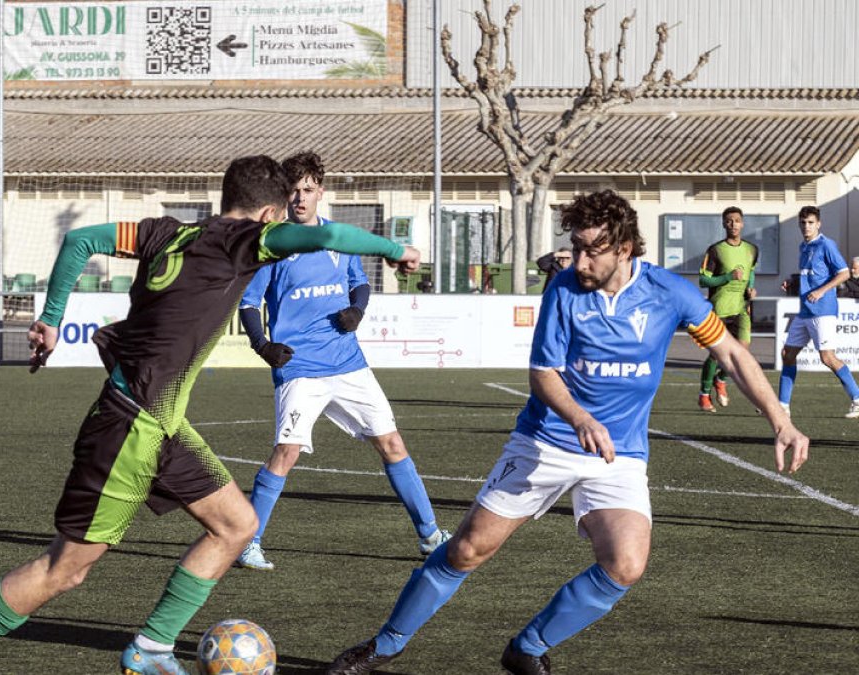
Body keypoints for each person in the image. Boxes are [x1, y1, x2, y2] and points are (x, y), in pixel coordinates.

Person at [0, 155, 422, 675]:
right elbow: (326, 238)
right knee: (65, 569)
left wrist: (50, 320)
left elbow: (80, 240)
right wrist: (397, 250)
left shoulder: (163, 233)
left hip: (162, 425)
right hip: (130, 426)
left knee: (237, 525)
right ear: (270, 213)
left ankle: (151, 649)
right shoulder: (245, 241)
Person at [326, 190, 808, 675]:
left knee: (626, 563)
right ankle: (385, 645)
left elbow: (732, 354)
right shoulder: (563, 290)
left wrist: (780, 420)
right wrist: (580, 418)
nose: (577, 260)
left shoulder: (669, 292)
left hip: (618, 454)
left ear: (624, 248)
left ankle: (528, 648)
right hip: (545, 441)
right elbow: (543, 374)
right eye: (574, 247)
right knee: (468, 549)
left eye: (590, 250)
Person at [234, 151, 449, 571]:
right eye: (293, 190)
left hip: (348, 362)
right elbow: (248, 303)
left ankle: (430, 535)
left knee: (392, 444)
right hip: (300, 366)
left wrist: (357, 311)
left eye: (308, 190)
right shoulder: (274, 242)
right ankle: (248, 542)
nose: (300, 198)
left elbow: (360, 283)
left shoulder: (339, 238)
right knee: (286, 453)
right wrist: (262, 345)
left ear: (321, 193)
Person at [777, 205, 859, 418]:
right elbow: (810, 274)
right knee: (788, 354)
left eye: (811, 223)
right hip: (805, 310)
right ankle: (782, 406)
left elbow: (843, 273)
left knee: (827, 357)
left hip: (822, 310)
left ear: (818, 224)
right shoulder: (803, 247)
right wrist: (791, 282)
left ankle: (857, 399)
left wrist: (822, 291)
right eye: (803, 223)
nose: (807, 226)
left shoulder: (826, 245)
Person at [696, 207, 758, 412]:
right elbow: (703, 280)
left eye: (737, 221)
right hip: (719, 309)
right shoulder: (715, 250)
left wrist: (750, 289)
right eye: (729, 221)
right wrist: (727, 277)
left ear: (743, 223)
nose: (733, 224)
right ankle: (704, 395)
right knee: (716, 355)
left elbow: (751, 273)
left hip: (741, 309)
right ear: (723, 224)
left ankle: (721, 380)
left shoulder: (751, 249)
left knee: (741, 352)